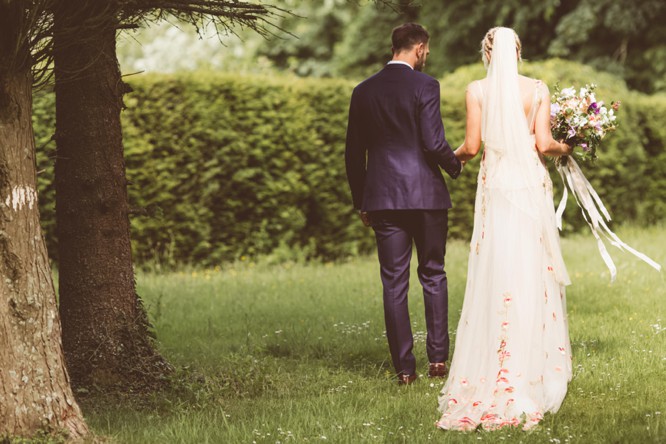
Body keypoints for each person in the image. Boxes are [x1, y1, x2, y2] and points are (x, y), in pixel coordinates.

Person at [436, 27, 573, 431]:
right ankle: (531, 363)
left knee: (498, 267)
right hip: (530, 186)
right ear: (518, 52)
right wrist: (571, 145)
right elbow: (545, 144)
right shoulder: (538, 89)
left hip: (496, 188)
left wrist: (446, 156)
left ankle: (496, 360)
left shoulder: (477, 91)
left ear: (487, 54)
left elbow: (472, 147)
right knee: (531, 267)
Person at [345, 23, 462, 385]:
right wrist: (456, 165)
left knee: (393, 283)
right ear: (420, 48)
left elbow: (353, 154)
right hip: (426, 196)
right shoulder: (426, 85)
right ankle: (438, 361)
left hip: (382, 199)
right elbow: (432, 141)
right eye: (427, 50)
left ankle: (405, 370)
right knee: (433, 273)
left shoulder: (363, 91)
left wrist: (362, 200)